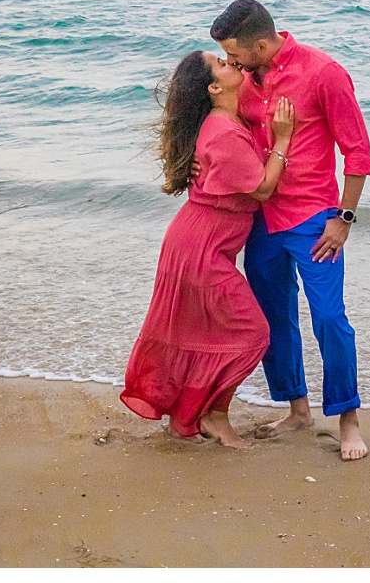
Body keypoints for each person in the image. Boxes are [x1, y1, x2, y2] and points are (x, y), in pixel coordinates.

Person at [211, 0, 370, 461]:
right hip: (261, 220)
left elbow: (358, 154)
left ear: (260, 43)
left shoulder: (324, 73)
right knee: (273, 317)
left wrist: (343, 220)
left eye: (235, 53)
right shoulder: (245, 80)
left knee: (329, 318)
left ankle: (348, 420)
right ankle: (297, 409)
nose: (232, 62)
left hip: (313, 221)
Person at [121, 51, 294, 448]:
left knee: (206, 332)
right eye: (223, 64)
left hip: (198, 240)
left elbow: (259, 56)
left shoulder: (228, 119)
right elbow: (264, 188)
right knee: (252, 333)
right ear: (214, 88)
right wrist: (283, 139)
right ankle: (214, 415)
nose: (235, 65)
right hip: (202, 248)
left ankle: (186, 419)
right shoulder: (224, 132)